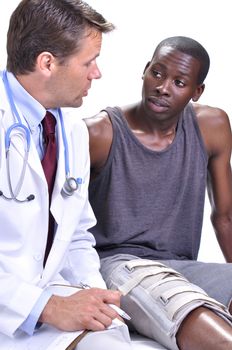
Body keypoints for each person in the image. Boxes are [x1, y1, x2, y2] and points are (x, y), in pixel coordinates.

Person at [85, 36, 232, 350]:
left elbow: (225, 216)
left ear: (197, 92)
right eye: (158, 73)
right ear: (144, 70)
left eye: (179, 82)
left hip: (180, 267)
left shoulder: (212, 126)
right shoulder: (99, 133)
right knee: (211, 329)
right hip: (116, 265)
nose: (163, 87)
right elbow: (51, 218)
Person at [0, 1, 132, 349]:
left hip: (48, 299)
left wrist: (93, 294)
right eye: (89, 62)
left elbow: (75, 235)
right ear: (47, 63)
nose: (97, 73)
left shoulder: (71, 129)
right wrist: (47, 307)